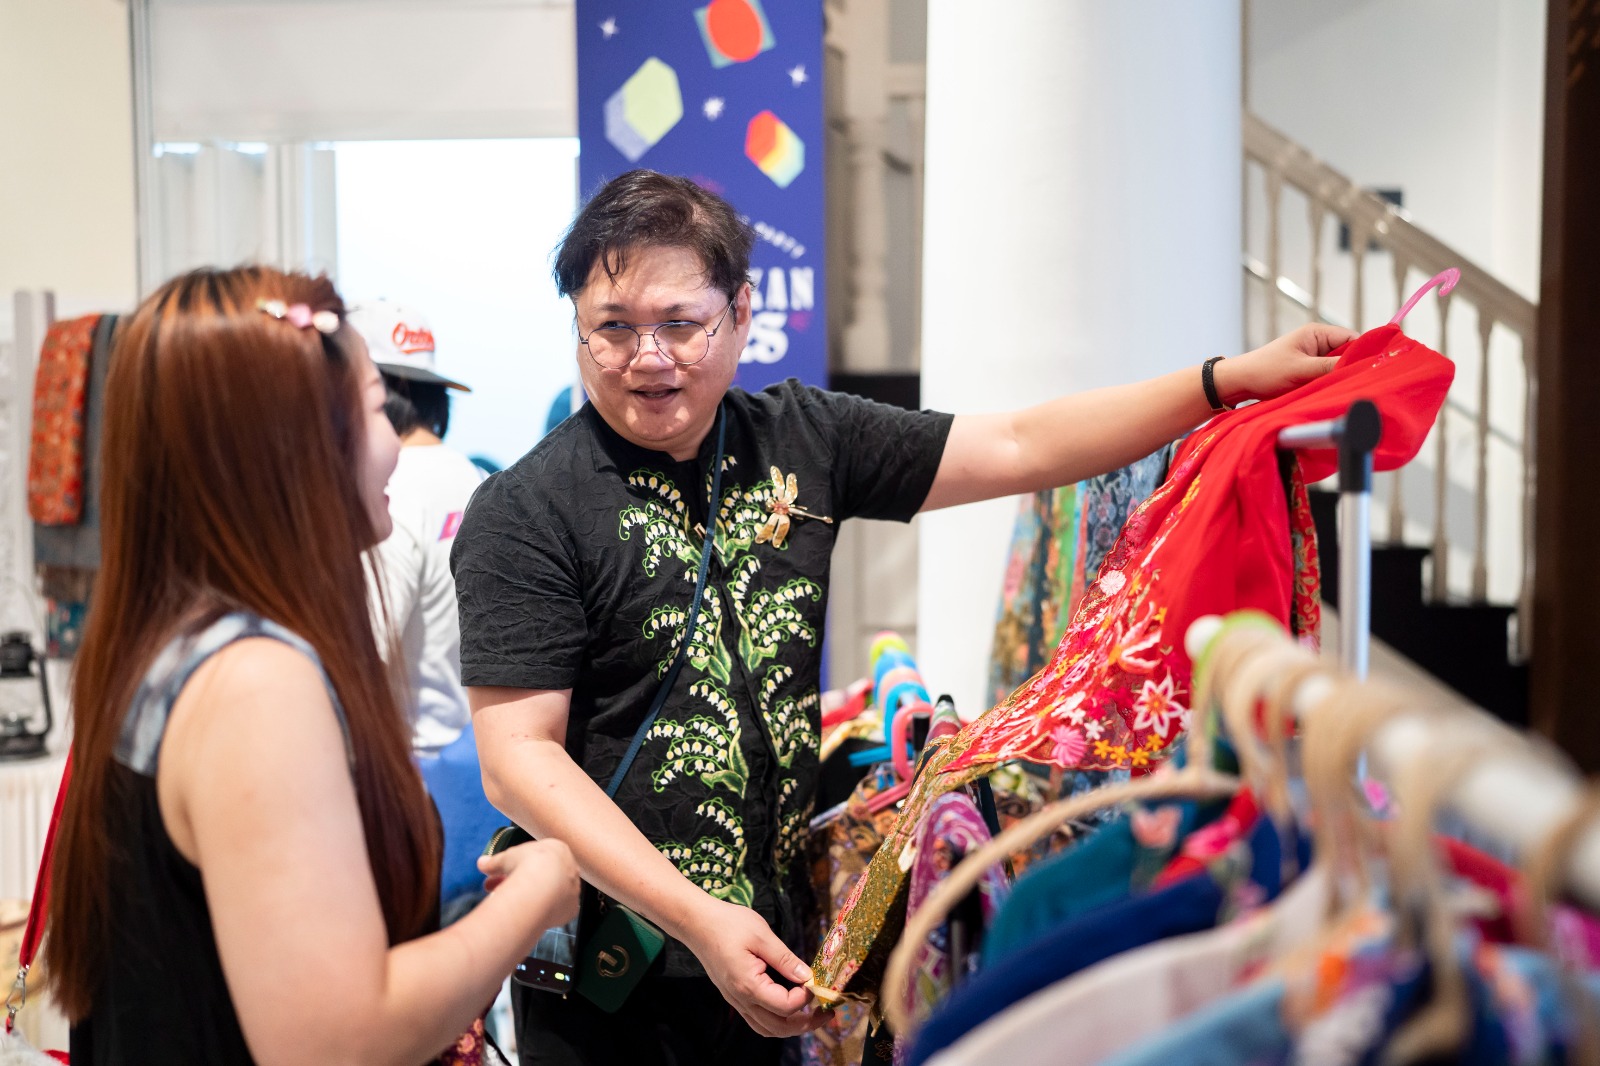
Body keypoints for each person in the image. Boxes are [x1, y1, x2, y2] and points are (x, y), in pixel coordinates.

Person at [451, 169, 1355, 1066]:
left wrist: (1227, 381)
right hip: (610, 977)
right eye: (612, 327)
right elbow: (519, 758)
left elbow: (1019, 444)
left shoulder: (801, 438)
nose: (648, 357)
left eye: (680, 324)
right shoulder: (525, 511)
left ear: (742, 312)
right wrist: (698, 920)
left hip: (771, 948)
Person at [43, 266, 579, 1065]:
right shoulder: (257, 685)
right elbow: (336, 1039)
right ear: (297, 446)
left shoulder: (168, 640)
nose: (399, 445)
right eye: (378, 409)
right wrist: (535, 897)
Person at [348, 298, 483, 756]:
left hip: (408, 760)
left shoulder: (389, 491)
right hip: (469, 754)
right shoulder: (476, 479)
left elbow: (359, 657)